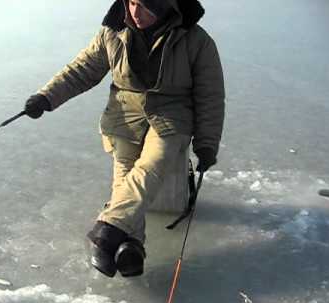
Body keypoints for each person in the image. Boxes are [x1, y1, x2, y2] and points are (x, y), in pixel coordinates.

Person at [23, 0, 225, 278]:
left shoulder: (196, 40)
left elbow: (210, 95)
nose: (135, 13)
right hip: (124, 113)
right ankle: (131, 245)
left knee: (155, 162)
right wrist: (46, 97)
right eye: (131, 2)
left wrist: (207, 143)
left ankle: (108, 231)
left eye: (145, 5)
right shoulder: (113, 31)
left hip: (171, 113)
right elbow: (82, 70)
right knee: (125, 173)